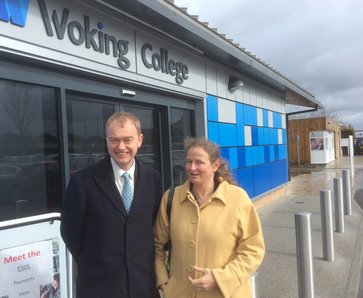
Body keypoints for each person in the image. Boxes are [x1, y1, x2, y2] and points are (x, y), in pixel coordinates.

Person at [61, 112, 163, 298]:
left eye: (127, 140)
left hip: (143, 285)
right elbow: (70, 231)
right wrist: (95, 263)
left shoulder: (154, 179)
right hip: (98, 286)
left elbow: (154, 226)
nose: (121, 146)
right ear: (106, 141)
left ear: (139, 140)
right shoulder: (83, 181)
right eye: (114, 140)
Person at [154, 137, 265, 298]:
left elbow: (253, 250)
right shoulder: (171, 199)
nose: (192, 168)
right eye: (188, 162)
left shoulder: (238, 198)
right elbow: (158, 246)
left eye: (199, 162)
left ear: (215, 165)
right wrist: (164, 283)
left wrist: (220, 278)